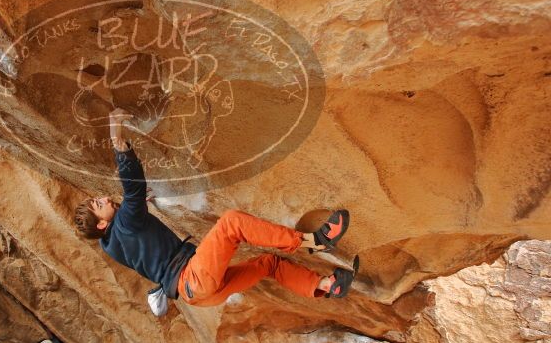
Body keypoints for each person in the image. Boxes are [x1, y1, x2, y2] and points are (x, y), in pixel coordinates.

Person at [74, 108, 358, 316]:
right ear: (101, 225)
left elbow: (138, 235)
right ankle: (314, 241)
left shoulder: (111, 243)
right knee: (231, 223)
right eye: (98, 205)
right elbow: (132, 184)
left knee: (269, 265)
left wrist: (139, 209)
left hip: (198, 295)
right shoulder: (124, 223)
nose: (102, 199)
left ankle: (326, 285)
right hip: (194, 277)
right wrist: (116, 137)